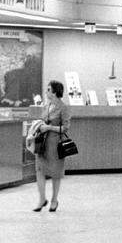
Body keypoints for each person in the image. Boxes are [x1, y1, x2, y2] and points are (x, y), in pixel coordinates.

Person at [33, 80, 72, 211]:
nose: (46, 91)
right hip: (42, 143)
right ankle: (42, 199)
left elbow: (65, 128)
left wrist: (49, 127)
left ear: (55, 92)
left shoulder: (63, 108)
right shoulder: (46, 106)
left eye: (49, 90)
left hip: (55, 144)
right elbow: (42, 119)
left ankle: (54, 200)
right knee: (39, 170)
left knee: (55, 173)